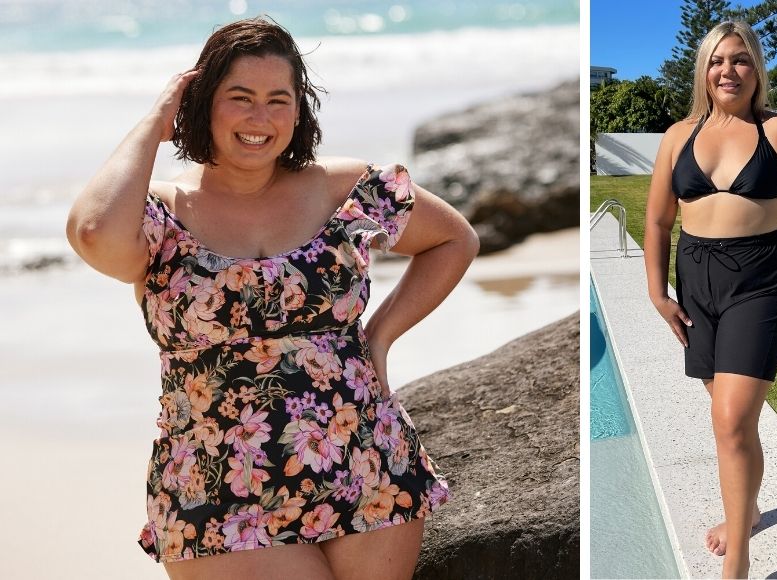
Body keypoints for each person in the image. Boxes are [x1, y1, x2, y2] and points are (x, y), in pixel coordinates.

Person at [66, 16, 479, 580]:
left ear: (298, 110)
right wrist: (153, 121)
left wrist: (380, 336)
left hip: (364, 458)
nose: (259, 118)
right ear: (203, 102)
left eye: (277, 100)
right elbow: (93, 235)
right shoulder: (158, 212)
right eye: (240, 97)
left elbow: (456, 239)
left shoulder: (344, 188)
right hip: (218, 483)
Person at [644, 20, 777, 579]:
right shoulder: (678, 134)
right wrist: (655, 290)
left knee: (731, 418)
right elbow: (658, 218)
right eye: (717, 61)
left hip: (760, 280)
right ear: (703, 70)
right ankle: (749, 509)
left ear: (757, 68)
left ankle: (737, 558)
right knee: (733, 424)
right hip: (698, 282)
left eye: (740, 60)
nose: (728, 71)